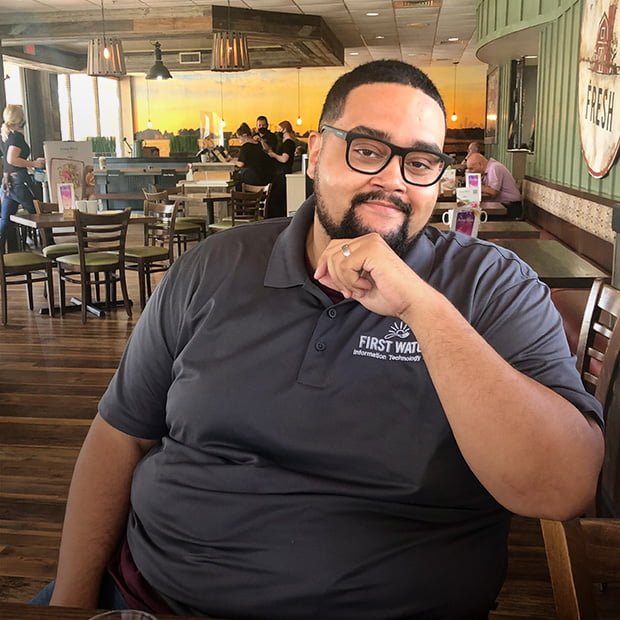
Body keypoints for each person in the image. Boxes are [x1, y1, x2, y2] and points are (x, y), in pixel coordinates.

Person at [41, 60, 603, 620]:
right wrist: (70, 602)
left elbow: (561, 489)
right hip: (149, 600)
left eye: (421, 162)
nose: (393, 180)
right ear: (314, 155)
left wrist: (422, 306)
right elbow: (119, 436)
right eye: (366, 149)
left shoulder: (493, 286)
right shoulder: (211, 267)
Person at [0, 104, 45, 252]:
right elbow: (12, 159)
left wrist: (28, 164)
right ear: (20, 119)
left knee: (5, 220)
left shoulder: (6, 136)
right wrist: (33, 163)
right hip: (19, 182)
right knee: (39, 213)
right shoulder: (16, 137)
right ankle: (50, 249)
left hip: (8, 182)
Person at [466, 152, 522, 218]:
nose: (471, 171)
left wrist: (477, 186)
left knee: (475, 217)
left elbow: (493, 192)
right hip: (502, 204)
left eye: (471, 169)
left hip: (510, 207)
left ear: (480, 164)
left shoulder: (494, 168)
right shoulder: (488, 170)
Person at [262, 120, 298, 217]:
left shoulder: (288, 143)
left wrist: (273, 155)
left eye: (279, 129)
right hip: (283, 173)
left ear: (284, 129)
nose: (278, 131)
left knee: (278, 200)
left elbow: (284, 159)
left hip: (282, 174)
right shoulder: (290, 142)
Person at [232, 122, 274, 187]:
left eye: (239, 138)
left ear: (245, 135)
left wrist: (233, 161)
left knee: (236, 185)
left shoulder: (245, 147)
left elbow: (241, 164)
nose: (239, 140)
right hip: (263, 177)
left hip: (251, 179)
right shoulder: (258, 144)